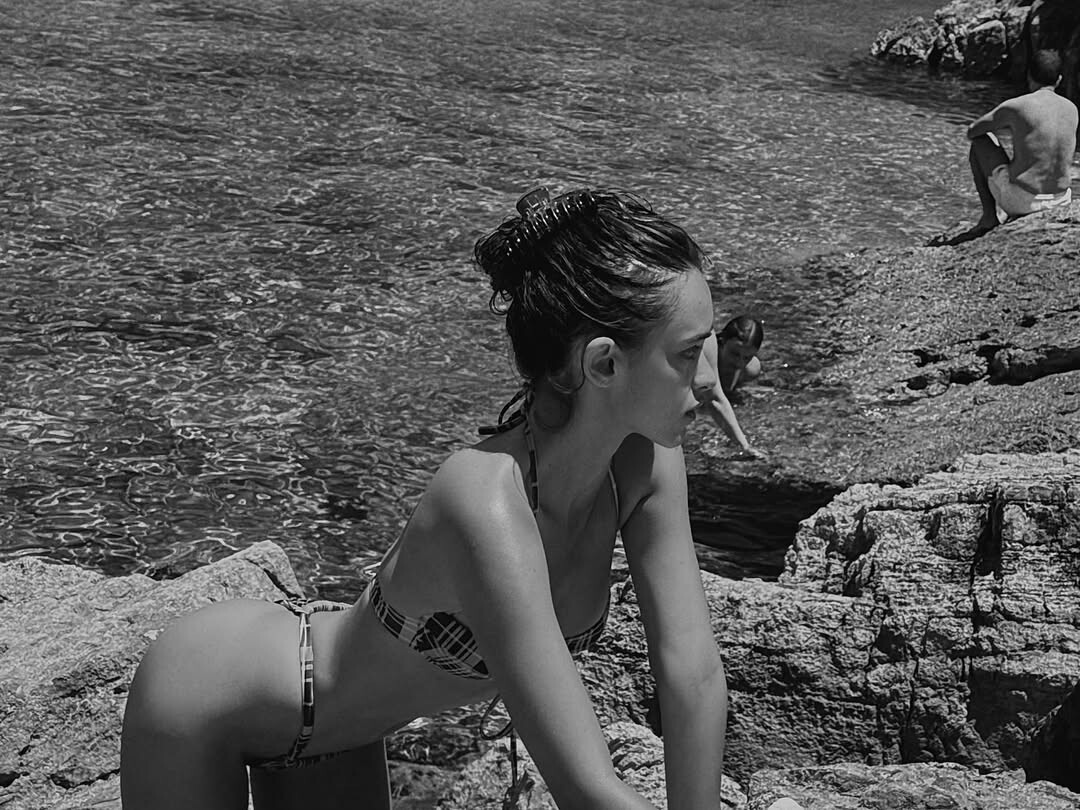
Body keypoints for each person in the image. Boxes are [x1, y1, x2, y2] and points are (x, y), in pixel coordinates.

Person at [120, 187, 729, 810]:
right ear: (603, 365)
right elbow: (585, 786)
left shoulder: (645, 465)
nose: (711, 380)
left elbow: (694, 676)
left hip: (338, 736)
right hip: (207, 698)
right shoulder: (484, 500)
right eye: (689, 352)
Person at [966, 48, 1078, 236]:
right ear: (1059, 79)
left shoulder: (1017, 106)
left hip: (1024, 202)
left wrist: (1008, 126)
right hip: (1061, 199)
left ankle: (989, 217)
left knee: (981, 140)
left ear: (1029, 76)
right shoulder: (1072, 109)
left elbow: (973, 131)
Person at [700, 315, 766, 460]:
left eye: (746, 357)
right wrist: (745, 446)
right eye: (734, 354)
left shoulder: (749, 369)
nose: (739, 363)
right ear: (722, 341)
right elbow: (714, 400)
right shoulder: (703, 354)